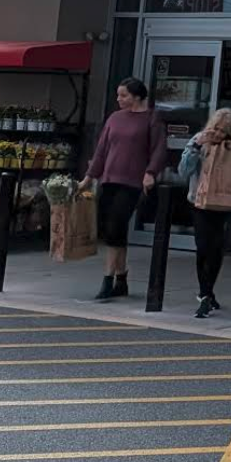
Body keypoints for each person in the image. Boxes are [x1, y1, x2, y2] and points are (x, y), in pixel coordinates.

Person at [84, 77, 168, 302]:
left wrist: (150, 172)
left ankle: (107, 280)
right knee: (113, 232)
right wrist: (88, 177)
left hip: (133, 182)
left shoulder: (151, 118)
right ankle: (121, 279)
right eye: (118, 95)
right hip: (109, 179)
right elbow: (101, 149)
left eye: (124, 95)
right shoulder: (114, 118)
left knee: (115, 226)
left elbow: (159, 148)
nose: (118, 99)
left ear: (137, 96)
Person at [177, 106, 231, 319]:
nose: (219, 134)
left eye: (224, 131)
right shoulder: (199, 141)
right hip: (199, 202)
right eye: (217, 129)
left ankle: (208, 291)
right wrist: (197, 145)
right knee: (203, 246)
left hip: (225, 203)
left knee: (217, 247)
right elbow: (184, 170)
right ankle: (204, 294)